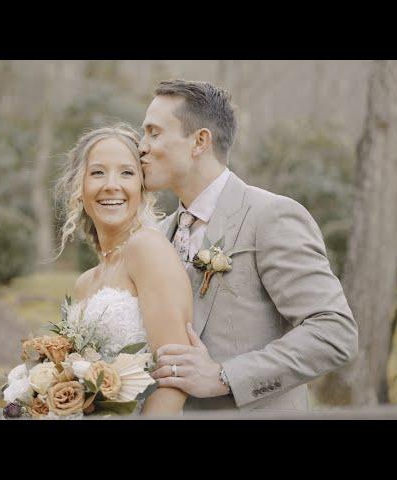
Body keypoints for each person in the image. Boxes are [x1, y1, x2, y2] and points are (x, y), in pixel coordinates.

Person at [140, 79, 359, 412]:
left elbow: (334, 331)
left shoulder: (270, 217)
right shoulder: (153, 236)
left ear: (200, 141)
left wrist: (225, 376)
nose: (141, 146)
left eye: (153, 132)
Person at [54, 124, 193, 415]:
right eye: (97, 172)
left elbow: (176, 375)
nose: (111, 185)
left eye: (127, 173)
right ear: (79, 187)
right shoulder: (83, 283)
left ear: (142, 188)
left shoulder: (147, 249)